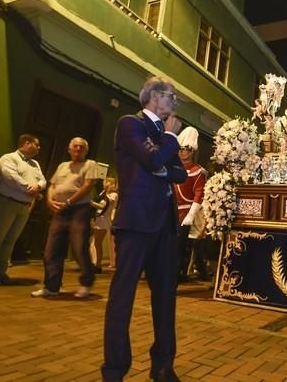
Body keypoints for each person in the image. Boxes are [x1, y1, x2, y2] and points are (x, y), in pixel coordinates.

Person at [102, 77, 186, 382]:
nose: (175, 102)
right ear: (153, 96)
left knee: (165, 298)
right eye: (171, 96)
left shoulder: (162, 134)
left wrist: (162, 162)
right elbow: (153, 159)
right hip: (136, 222)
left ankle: (163, 365)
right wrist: (170, 140)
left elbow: (179, 173)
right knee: (122, 297)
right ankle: (114, 369)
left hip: (164, 225)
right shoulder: (130, 124)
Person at [31, 137, 96, 299]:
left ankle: (86, 283)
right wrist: (50, 201)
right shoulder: (62, 166)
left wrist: (68, 201)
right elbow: (52, 185)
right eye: (75, 146)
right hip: (59, 211)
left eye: (81, 147)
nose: (78, 149)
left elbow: (88, 185)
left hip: (79, 210)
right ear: (69, 149)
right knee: (51, 250)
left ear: (86, 151)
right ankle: (52, 286)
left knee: (79, 248)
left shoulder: (90, 165)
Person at [0, 134, 45, 285]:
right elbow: (11, 178)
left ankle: (1, 273)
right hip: (6, 202)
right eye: (37, 144)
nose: (39, 148)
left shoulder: (35, 164)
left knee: (10, 240)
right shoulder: (9, 158)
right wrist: (30, 188)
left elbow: (43, 180)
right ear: (27, 143)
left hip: (24, 206)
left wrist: (39, 186)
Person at [173, 127, 208, 282]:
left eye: (185, 149)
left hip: (184, 213)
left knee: (180, 247)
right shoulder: (173, 168)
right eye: (179, 149)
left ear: (192, 151)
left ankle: (176, 274)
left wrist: (191, 215)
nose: (181, 152)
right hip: (170, 212)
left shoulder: (198, 171)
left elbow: (199, 194)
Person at [90, 177, 118, 273]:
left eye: (105, 183)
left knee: (98, 243)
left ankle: (98, 265)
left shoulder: (113, 195)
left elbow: (103, 206)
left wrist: (91, 202)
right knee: (95, 243)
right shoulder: (104, 193)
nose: (103, 184)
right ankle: (96, 264)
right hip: (98, 219)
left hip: (103, 220)